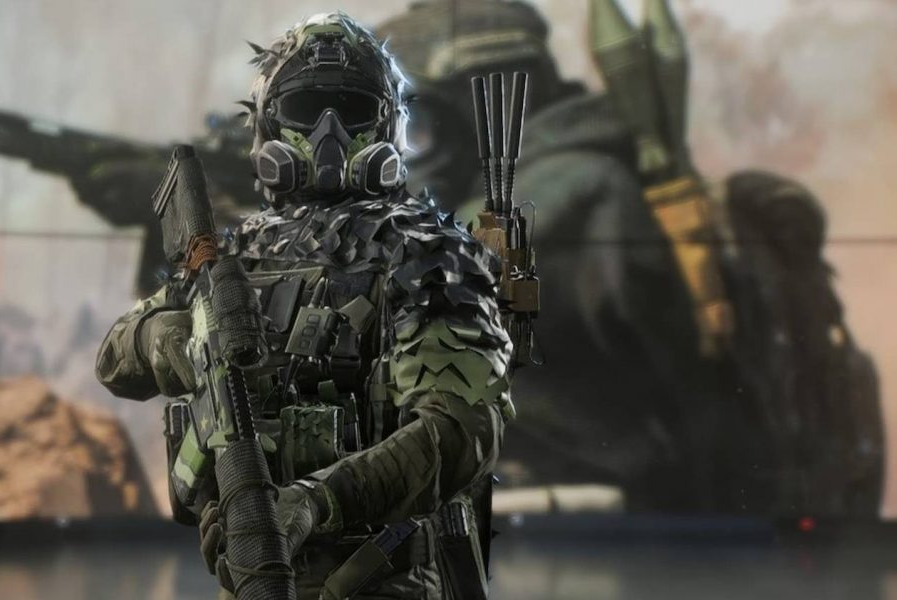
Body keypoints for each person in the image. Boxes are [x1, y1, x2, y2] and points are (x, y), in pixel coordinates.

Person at [379, 0, 883, 516]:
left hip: (612, 529)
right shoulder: (589, 180)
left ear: (476, 107)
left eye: (415, 126)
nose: (401, 151)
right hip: (642, 524)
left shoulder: (560, 201)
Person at [96, 12, 512, 599]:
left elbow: (460, 430)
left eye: (352, 110)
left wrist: (315, 502)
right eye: (307, 108)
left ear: (388, 124)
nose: (328, 132)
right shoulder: (238, 253)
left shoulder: (426, 250)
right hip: (256, 565)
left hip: (386, 577)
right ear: (268, 122)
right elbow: (115, 358)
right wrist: (168, 338)